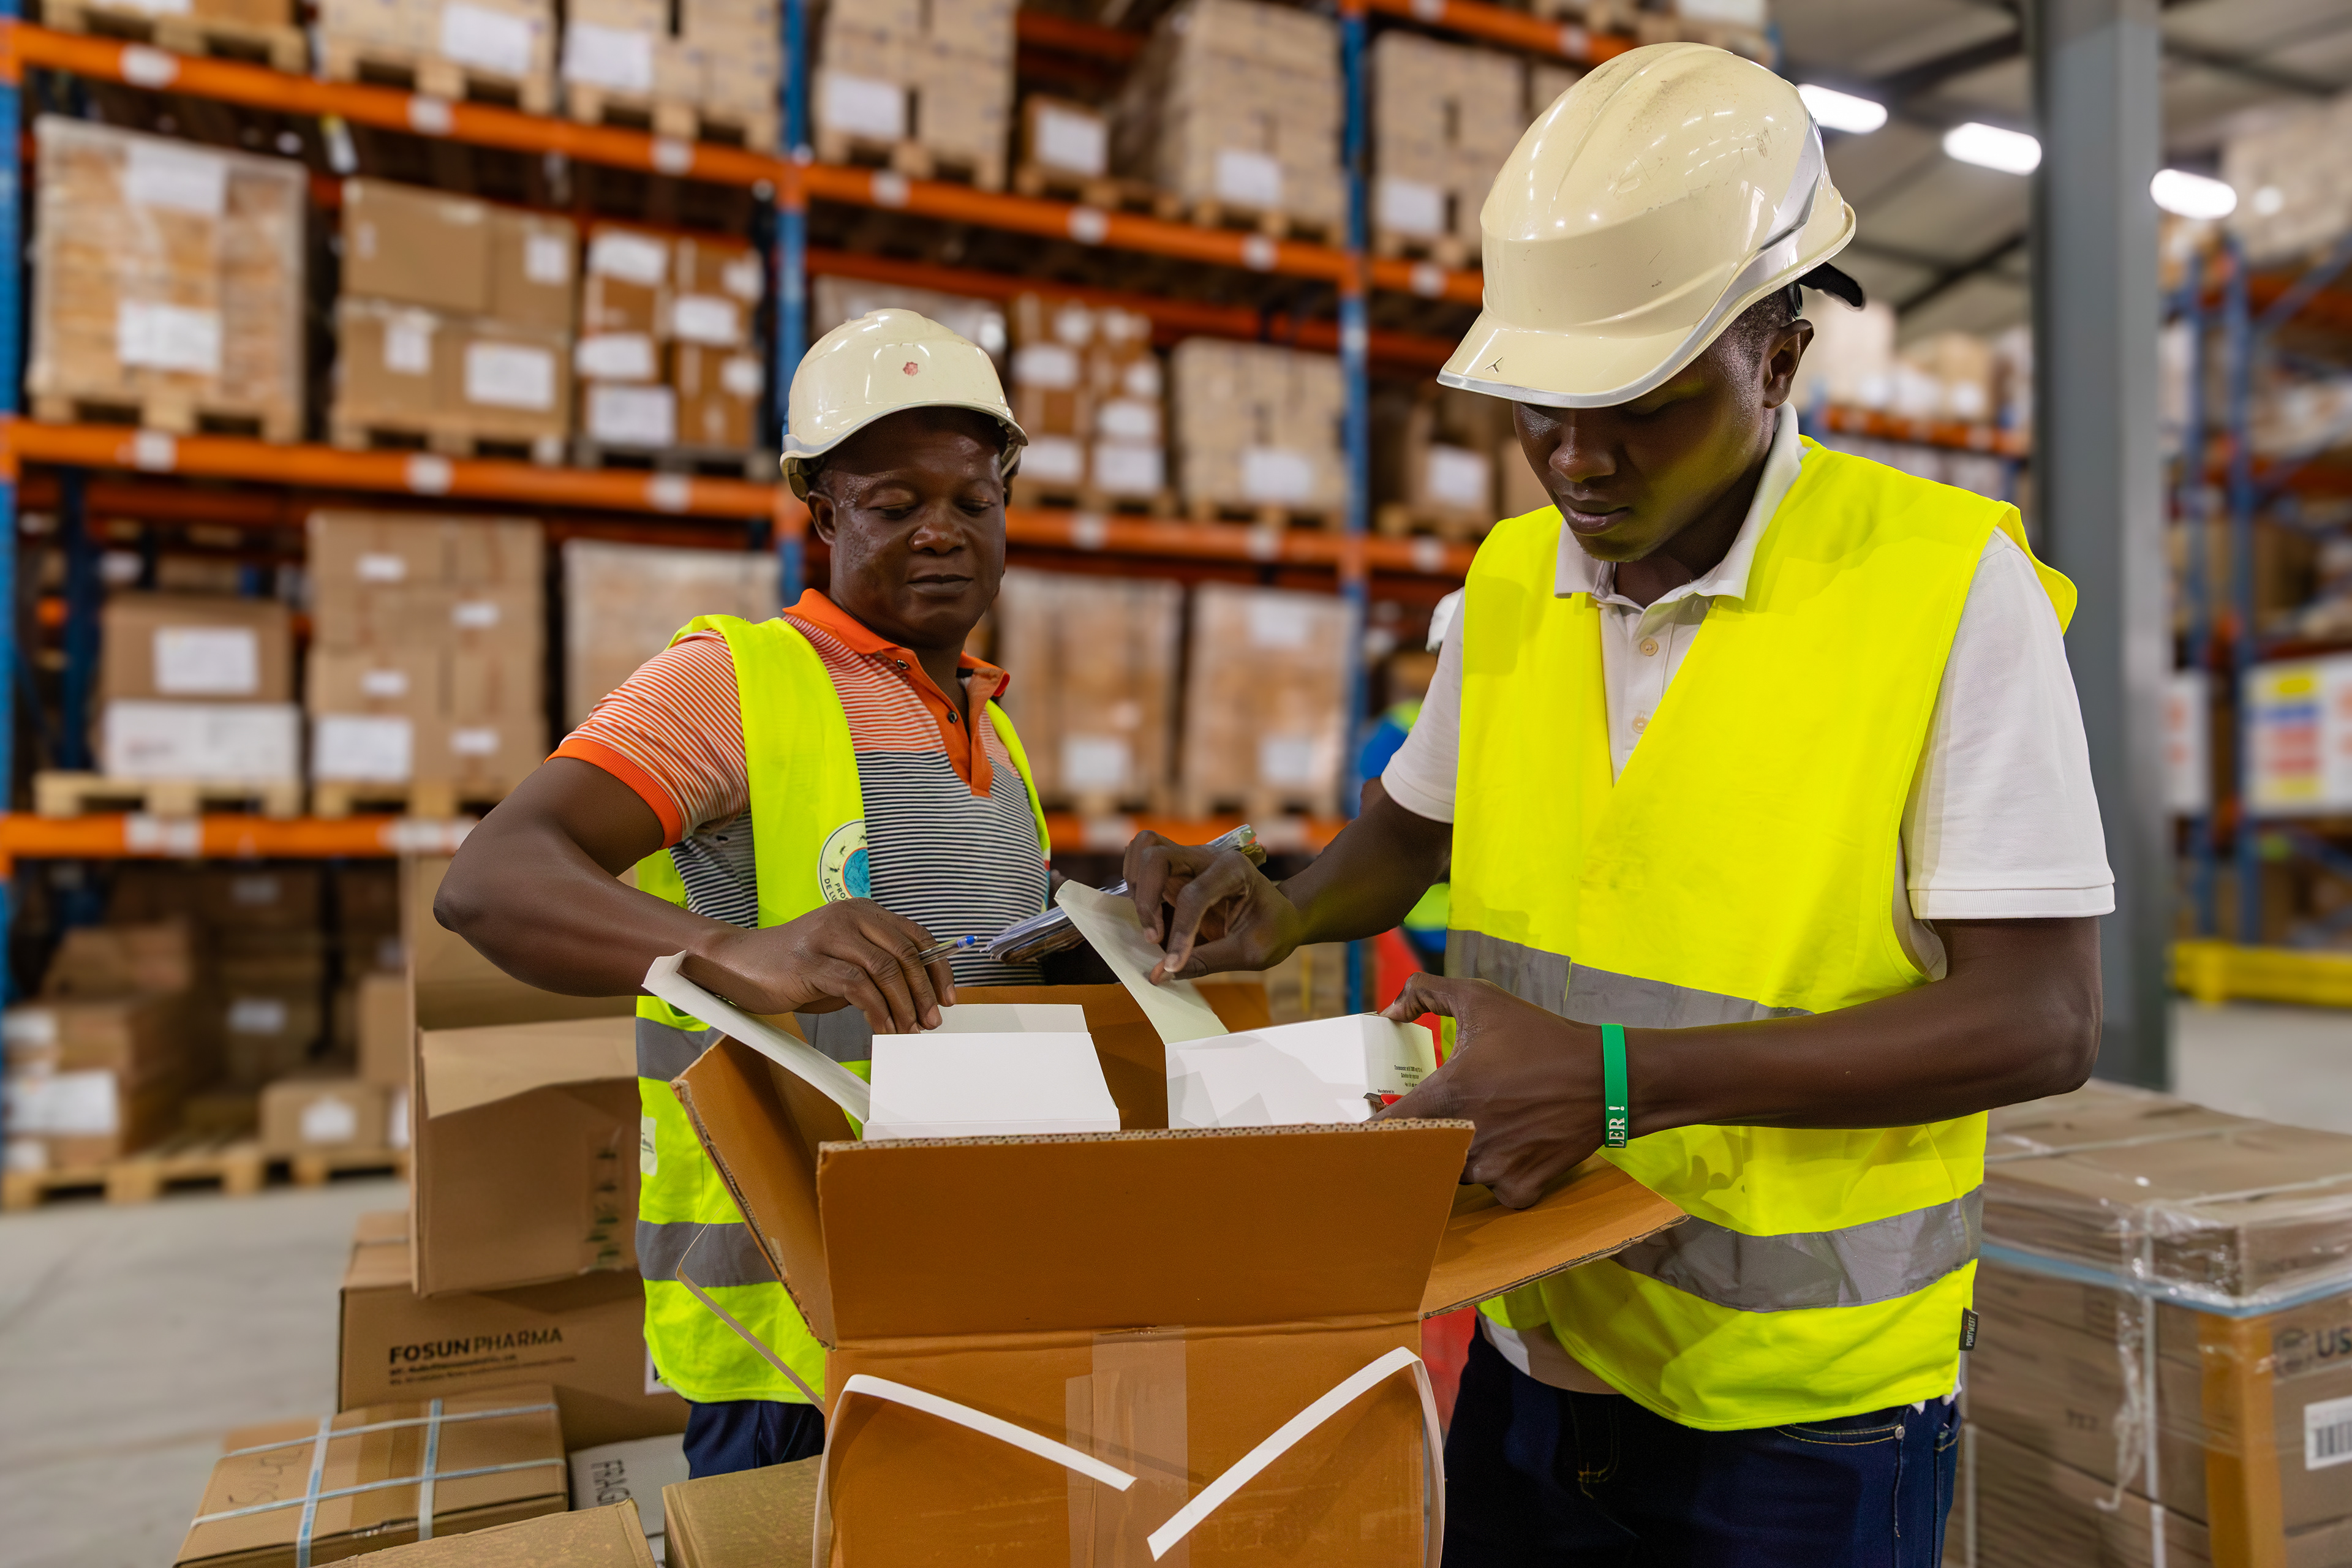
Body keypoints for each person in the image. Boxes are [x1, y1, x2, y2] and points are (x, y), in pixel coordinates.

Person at [1118, 45, 2108, 1566]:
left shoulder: (1945, 591)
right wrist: (1286, 898)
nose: (1577, 460)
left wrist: (1623, 1083)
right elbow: (1411, 830)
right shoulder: (1515, 581)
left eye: (1637, 405)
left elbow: (2041, 1022)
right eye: (1541, 408)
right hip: (1533, 1351)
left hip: (1804, 1421)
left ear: (1777, 355)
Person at [432, 309, 1051, 1479]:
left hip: (971, 1288)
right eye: (894, 503)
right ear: (823, 513)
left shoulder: (991, 724)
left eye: (972, 502)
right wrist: (731, 949)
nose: (941, 535)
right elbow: (492, 881)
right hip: (790, 1340)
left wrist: (1124, 915)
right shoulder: (732, 683)